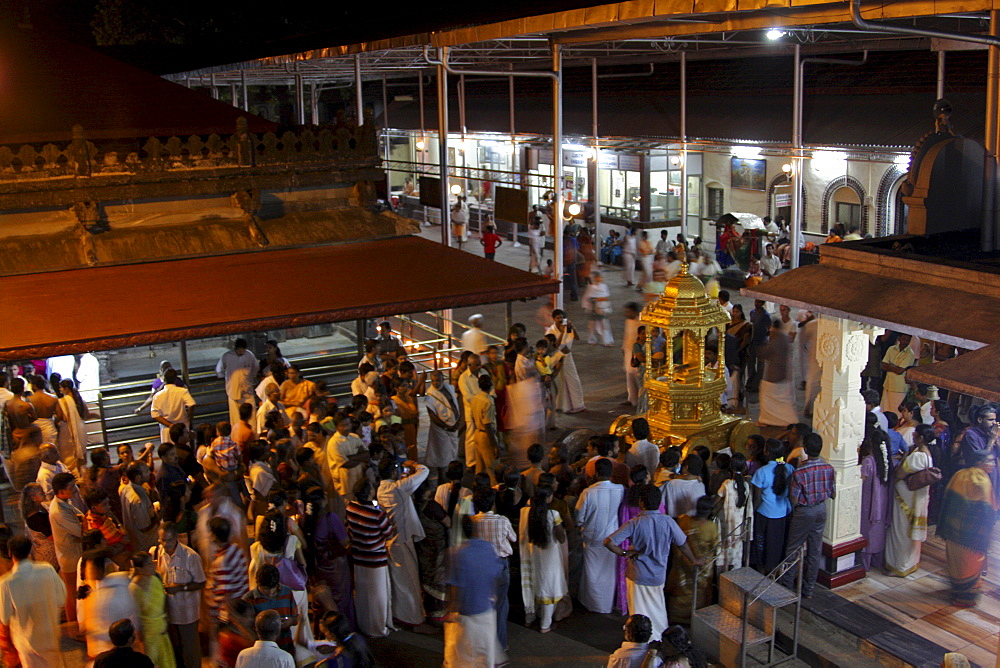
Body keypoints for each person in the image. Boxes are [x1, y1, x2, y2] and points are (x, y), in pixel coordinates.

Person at [606, 484, 699, 638]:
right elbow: (683, 544)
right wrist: (694, 560)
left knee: (638, 611)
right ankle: (660, 637)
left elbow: (609, 542)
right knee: (658, 608)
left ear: (641, 502)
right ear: (659, 502)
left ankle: (640, 639)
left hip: (637, 575)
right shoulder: (668, 521)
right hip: (658, 575)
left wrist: (625, 553)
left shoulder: (634, 523)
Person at [937, 447, 998, 607]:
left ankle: (957, 593)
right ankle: (965, 598)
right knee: (969, 565)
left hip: (953, 532)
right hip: (971, 537)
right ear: (979, 463)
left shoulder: (959, 474)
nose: (992, 464)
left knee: (957, 563)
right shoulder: (981, 480)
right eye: (989, 461)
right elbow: (986, 510)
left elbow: (948, 502)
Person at [376, 457, 432, 630]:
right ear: (394, 472)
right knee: (410, 584)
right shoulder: (398, 488)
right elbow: (425, 471)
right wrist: (413, 464)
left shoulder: (381, 489)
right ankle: (415, 621)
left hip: (391, 541)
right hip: (401, 541)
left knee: (400, 583)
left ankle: (402, 616)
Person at [444, 516, 506, 668]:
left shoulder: (455, 553)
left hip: (466, 611)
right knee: (486, 652)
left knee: (464, 656)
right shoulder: (488, 548)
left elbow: (454, 586)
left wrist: (452, 610)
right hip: (486, 607)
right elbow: (496, 575)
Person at [780, 434, 835, 597]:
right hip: (821, 510)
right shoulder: (829, 468)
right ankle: (808, 588)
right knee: (815, 550)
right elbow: (833, 494)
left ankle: (787, 586)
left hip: (805, 511)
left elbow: (794, 498)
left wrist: (800, 508)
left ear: (805, 449)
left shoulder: (800, 472)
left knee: (793, 549)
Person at [0, 536, 66, 668]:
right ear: (30, 551)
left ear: (10, 553)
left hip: (26, 643)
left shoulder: (6, 583)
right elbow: (61, 598)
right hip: (50, 636)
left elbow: (4, 617)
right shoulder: (47, 570)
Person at [345, 479, 395, 638]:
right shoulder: (377, 513)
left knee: (363, 595)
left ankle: (364, 624)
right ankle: (378, 628)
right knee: (378, 596)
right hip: (375, 560)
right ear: (368, 493)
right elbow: (389, 533)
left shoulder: (350, 507)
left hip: (359, 557)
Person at [469, 485, 516, 651]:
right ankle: (500, 644)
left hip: (479, 566)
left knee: (482, 605)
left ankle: (482, 643)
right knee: (501, 605)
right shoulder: (502, 520)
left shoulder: (472, 521)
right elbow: (513, 538)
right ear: (493, 503)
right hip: (500, 564)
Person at [153, 523, 206, 668]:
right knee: (175, 650)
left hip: (186, 613)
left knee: (190, 650)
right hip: (169, 611)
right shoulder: (159, 553)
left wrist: (181, 588)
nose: (165, 544)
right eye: (162, 540)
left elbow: (201, 582)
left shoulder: (190, 556)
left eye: (168, 540)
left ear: (176, 538)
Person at [885, 424, 936, 577]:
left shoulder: (917, 456)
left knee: (901, 532)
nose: (913, 436)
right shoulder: (926, 454)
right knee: (909, 534)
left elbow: (900, 474)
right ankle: (910, 563)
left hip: (906, 499)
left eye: (915, 434)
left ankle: (899, 566)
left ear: (921, 438)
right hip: (917, 498)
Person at [576, 458, 625, 614]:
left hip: (593, 537)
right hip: (612, 537)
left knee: (592, 573)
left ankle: (593, 604)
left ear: (596, 473)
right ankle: (606, 604)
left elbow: (579, 517)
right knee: (608, 573)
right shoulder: (620, 489)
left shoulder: (588, 493)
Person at [519, 486, 568, 633]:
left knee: (532, 585)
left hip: (530, 555)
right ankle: (545, 625)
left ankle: (529, 619)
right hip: (549, 558)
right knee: (548, 588)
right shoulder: (552, 515)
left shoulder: (525, 512)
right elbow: (561, 537)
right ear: (548, 498)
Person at [78, 550, 140, 662]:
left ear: (99, 569)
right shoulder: (108, 589)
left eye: (89, 567)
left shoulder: (109, 594)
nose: (87, 572)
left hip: (113, 654)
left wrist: (90, 630)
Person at [666, 495, 719, 625]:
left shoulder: (683, 520)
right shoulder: (711, 527)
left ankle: (676, 617)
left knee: (680, 589)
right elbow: (715, 548)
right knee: (699, 593)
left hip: (682, 564)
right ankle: (696, 619)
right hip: (702, 568)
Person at [750, 439, 793, 573]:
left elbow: (757, 498)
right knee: (777, 544)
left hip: (764, 513)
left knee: (761, 544)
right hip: (783, 512)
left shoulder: (761, 472)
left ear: (766, 452)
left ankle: (761, 571)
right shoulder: (789, 468)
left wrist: (751, 513)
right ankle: (775, 571)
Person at [128, 551, 176, 668]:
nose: (153, 566)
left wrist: (166, 621)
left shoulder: (155, 579)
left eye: (152, 563)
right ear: (140, 569)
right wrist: (140, 640)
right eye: (148, 565)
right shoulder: (134, 588)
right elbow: (135, 615)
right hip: (148, 634)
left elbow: (163, 603)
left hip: (161, 628)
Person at [49, 471, 83, 625]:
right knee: (72, 593)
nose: (75, 489)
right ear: (61, 492)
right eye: (72, 487)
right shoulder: (59, 511)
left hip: (72, 553)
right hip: (69, 557)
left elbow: (81, 516)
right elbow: (79, 530)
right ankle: (73, 625)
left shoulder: (64, 503)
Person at [243, 564, 298, 659]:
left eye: (274, 588)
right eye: (266, 589)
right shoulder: (249, 599)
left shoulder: (287, 592)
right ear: (257, 583)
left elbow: (296, 619)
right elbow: (245, 628)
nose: (271, 592)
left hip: (286, 647)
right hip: (261, 652)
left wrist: (291, 621)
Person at [859, 429, 892, 571]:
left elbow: (861, 481)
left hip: (868, 501)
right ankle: (877, 561)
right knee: (878, 531)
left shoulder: (868, 461)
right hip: (883, 500)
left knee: (867, 530)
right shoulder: (886, 461)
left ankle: (864, 564)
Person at [758, 319, 799, 427]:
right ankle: (787, 420)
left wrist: (763, 345)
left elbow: (766, 353)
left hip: (774, 374)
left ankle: (766, 419)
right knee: (784, 400)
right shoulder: (785, 338)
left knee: (766, 397)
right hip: (783, 373)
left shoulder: (775, 340)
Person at [547, 309, 586, 413]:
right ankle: (562, 406)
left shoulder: (567, 327)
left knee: (573, 380)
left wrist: (572, 328)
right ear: (554, 319)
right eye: (558, 318)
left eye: (561, 318)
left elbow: (577, 338)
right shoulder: (551, 331)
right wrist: (562, 332)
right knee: (561, 381)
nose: (560, 320)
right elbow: (556, 345)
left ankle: (577, 404)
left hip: (568, 356)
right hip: (557, 356)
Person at [327, 412, 369, 504]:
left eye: (348, 424)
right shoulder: (334, 443)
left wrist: (350, 458)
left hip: (359, 480)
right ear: (336, 427)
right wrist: (359, 457)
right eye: (344, 425)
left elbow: (367, 455)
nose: (348, 427)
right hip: (345, 484)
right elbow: (346, 464)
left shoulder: (355, 437)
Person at [217, 339, 260, 426]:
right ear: (236, 348)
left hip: (247, 390)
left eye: (243, 350)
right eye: (240, 350)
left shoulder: (249, 355)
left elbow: (255, 367)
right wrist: (227, 378)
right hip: (233, 390)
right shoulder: (227, 356)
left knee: (251, 414)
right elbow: (219, 370)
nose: (242, 352)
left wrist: (252, 376)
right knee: (235, 416)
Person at [120, 461, 159, 552]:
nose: (149, 472)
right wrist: (157, 517)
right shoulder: (138, 500)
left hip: (135, 541)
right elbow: (145, 527)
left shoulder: (125, 489)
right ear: (138, 478)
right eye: (146, 471)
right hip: (146, 544)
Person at [151, 368, 196, 444]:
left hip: (166, 428)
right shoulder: (182, 391)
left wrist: (170, 425)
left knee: (169, 450)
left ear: (164, 379)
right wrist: (189, 418)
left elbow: (155, 415)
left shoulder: (157, 395)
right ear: (175, 379)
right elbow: (192, 404)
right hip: (182, 427)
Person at [469, 374, 500, 484]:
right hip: (486, 436)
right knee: (492, 468)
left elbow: (472, 417)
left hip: (477, 433)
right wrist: (495, 445)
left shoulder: (475, 398)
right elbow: (488, 425)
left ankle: (478, 488)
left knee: (480, 467)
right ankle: (494, 490)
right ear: (491, 385)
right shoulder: (488, 402)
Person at [56, 378, 90, 473]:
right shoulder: (79, 399)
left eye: (61, 388)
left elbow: (64, 418)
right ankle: (81, 473)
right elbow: (86, 414)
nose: (60, 390)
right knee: (81, 451)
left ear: (66, 388)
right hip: (81, 429)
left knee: (68, 454)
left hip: (67, 431)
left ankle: (73, 474)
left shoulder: (62, 401)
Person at [880, 334, 914, 414]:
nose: (905, 342)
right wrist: (895, 368)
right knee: (885, 409)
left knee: (896, 412)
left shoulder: (910, 353)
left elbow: (900, 371)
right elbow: (883, 366)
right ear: (899, 338)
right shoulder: (891, 349)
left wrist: (890, 366)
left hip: (899, 387)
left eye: (907, 340)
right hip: (888, 384)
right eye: (904, 339)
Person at [746, 300, 771, 394]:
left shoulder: (766, 315)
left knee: (761, 365)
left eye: (759, 302)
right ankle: (751, 381)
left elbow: (769, 328)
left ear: (762, 304)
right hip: (753, 341)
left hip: (761, 342)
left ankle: (757, 384)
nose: (756, 304)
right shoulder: (752, 312)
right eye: (756, 302)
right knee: (751, 363)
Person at [583, 271, 614, 346]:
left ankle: (607, 341)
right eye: (598, 277)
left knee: (604, 325)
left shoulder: (604, 286)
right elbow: (588, 298)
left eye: (600, 277)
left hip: (602, 308)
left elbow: (606, 297)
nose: (600, 278)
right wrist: (596, 300)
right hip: (593, 309)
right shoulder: (590, 287)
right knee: (592, 326)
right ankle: (591, 340)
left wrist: (601, 300)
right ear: (595, 278)